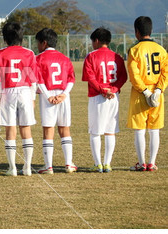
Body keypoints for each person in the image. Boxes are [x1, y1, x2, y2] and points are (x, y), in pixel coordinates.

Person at [0, 21, 37, 176]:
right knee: (26, 128)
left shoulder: (0, 53)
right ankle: (27, 167)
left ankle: (12, 168)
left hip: (8, 91)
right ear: (21, 37)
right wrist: (32, 98)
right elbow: (33, 79)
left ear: (5, 38)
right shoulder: (29, 53)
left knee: (10, 129)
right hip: (25, 90)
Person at [82, 27, 127, 173]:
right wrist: (113, 89)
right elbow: (123, 77)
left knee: (95, 132)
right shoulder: (117, 56)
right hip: (114, 97)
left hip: (97, 97)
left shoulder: (91, 56)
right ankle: (107, 163)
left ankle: (98, 164)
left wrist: (102, 90)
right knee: (110, 131)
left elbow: (90, 77)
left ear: (96, 40)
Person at [127, 16, 167, 171]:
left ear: (137, 32)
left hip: (140, 93)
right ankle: (152, 162)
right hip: (157, 93)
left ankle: (142, 163)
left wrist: (145, 91)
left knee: (140, 129)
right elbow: (166, 72)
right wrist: (158, 90)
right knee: (154, 128)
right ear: (151, 30)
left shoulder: (135, 50)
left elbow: (134, 74)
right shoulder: (161, 50)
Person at [35, 28, 77, 174]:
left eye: (38, 43)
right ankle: (69, 164)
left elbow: (37, 79)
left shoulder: (38, 58)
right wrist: (64, 94)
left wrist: (48, 96)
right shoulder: (65, 58)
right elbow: (71, 78)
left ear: (44, 43)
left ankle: (48, 166)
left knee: (48, 129)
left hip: (48, 95)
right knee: (64, 128)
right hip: (63, 95)